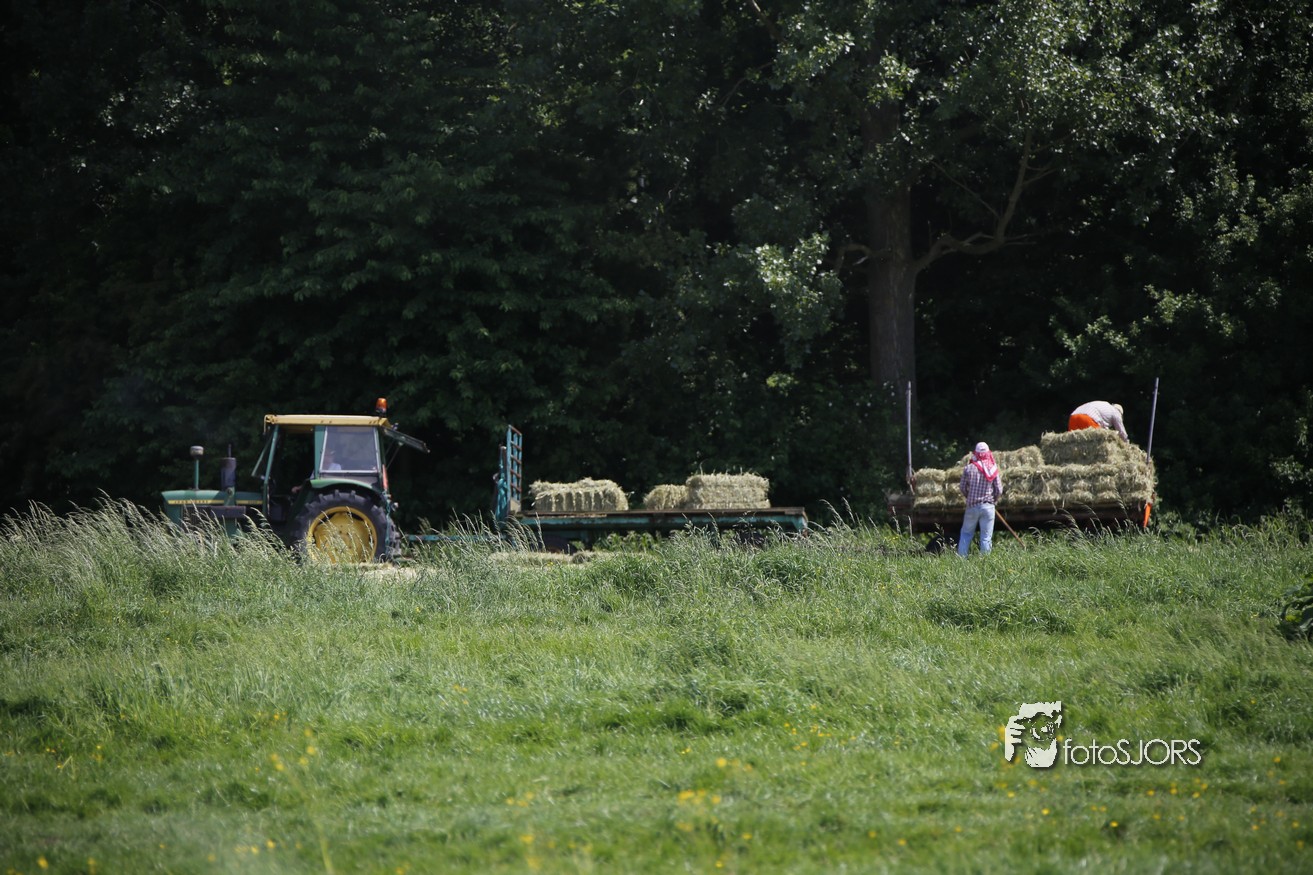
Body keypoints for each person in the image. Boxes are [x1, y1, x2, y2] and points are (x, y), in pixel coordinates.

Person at [958, 441, 1003, 557]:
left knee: (966, 534)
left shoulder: (968, 468)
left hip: (972, 506)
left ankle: (961, 560)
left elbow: (962, 487)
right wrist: (993, 500)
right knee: (986, 537)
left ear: (976, 453)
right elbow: (999, 489)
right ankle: (985, 562)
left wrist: (969, 496)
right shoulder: (993, 468)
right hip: (988, 507)